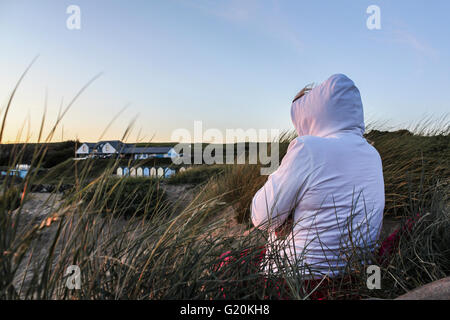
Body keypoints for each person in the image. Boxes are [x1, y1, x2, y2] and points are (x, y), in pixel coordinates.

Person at [251, 74, 385, 279]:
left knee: (225, 263)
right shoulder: (373, 155)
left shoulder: (307, 149)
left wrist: (279, 174)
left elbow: (262, 217)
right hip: (356, 275)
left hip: (301, 279)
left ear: (309, 117)